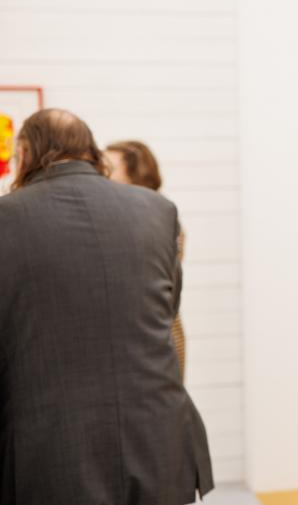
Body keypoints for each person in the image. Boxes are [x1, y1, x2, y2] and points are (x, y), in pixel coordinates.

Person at [0, 109, 214, 505]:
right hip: (159, 440)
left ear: (26, 154)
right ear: (91, 152)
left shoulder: (6, 218)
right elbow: (166, 315)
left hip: (51, 449)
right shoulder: (158, 211)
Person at [106, 139, 188, 381]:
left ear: (135, 175)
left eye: (108, 167)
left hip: (158, 341)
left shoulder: (162, 221)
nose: (98, 173)